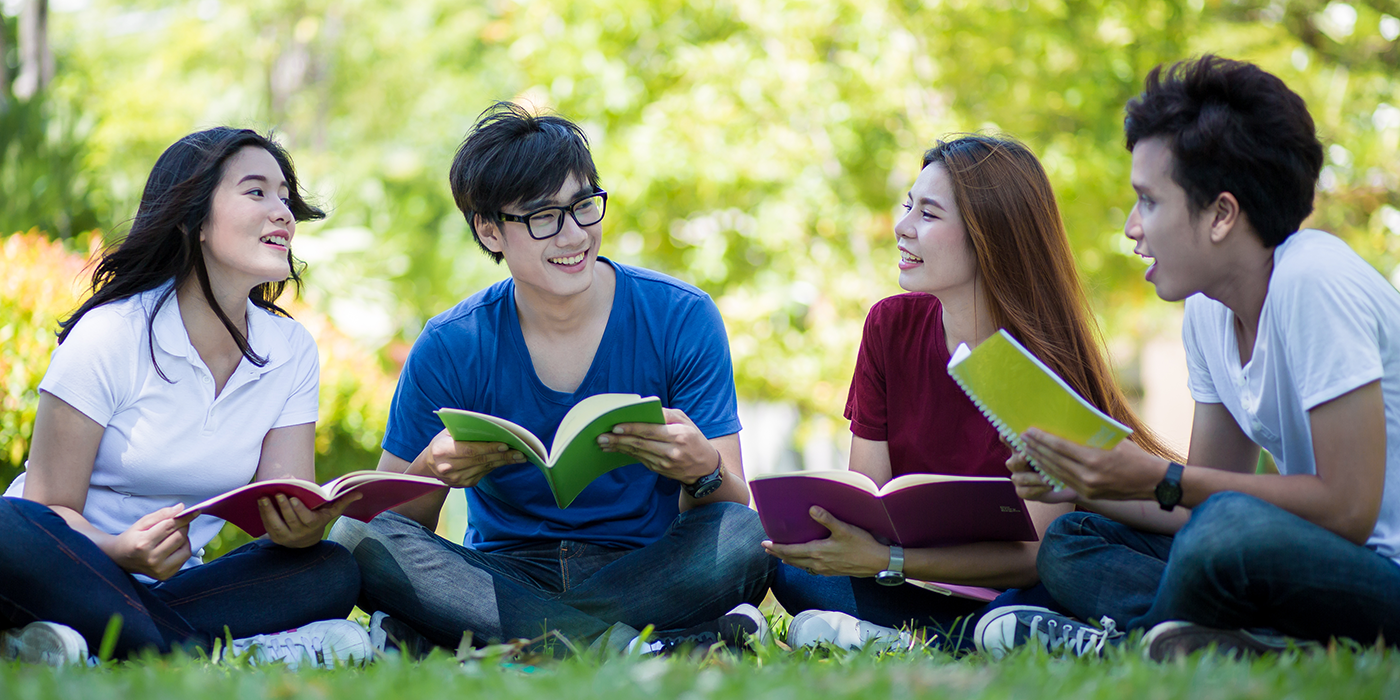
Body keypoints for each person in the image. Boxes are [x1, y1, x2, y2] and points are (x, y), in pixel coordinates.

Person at [977, 55, 1400, 661]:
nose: (1130, 228)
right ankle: (1219, 639)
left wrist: (1156, 477)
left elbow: (1348, 509)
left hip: (1381, 570)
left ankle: (1134, 639)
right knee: (1073, 538)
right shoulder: (1209, 311)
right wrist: (1079, 484)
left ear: (1222, 214)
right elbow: (1190, 502)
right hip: (1288, 559)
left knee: (1227, 530)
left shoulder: (1313, 280)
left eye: (1148, 201)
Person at [329, 103, 774, 656]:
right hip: (501, 576)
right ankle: (629, 646)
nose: (574, 236)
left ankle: (494, 644)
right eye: (543, 217)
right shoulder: (453, 342)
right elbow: (388, 522)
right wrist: (433, 471)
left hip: (644, 570)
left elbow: (732, 506)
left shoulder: (681, 316)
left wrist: (701, 469)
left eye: (584, 206)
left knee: (744, 536)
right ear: (490, 230)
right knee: (354, 536)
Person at [763, 134, 1179, 652]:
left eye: (929, 215)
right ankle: (962, 639)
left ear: (989, 236)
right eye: (908, 206)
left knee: (1038, 588)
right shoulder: (889, 326)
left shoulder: (1040, 362)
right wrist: (857, 547)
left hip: (1017, 586)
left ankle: (939, 639)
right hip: (915, 582)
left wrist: (890, 560)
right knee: (797, 575)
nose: (902, 227)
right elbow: (868, 500)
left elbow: (1034, 555)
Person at [0, 128, 370, 667]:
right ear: (192, 218)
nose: (283, 213)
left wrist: (303, 527)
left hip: (178, 585)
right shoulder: (112, 334)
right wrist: (119, 550)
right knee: (8, 529)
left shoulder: (289, 349)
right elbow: (46, 510)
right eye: (257, 192)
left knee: (329, 569)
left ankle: (90, 642)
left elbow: (281, 504)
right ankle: (216, 652)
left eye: (286, 199)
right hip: (71, 558)